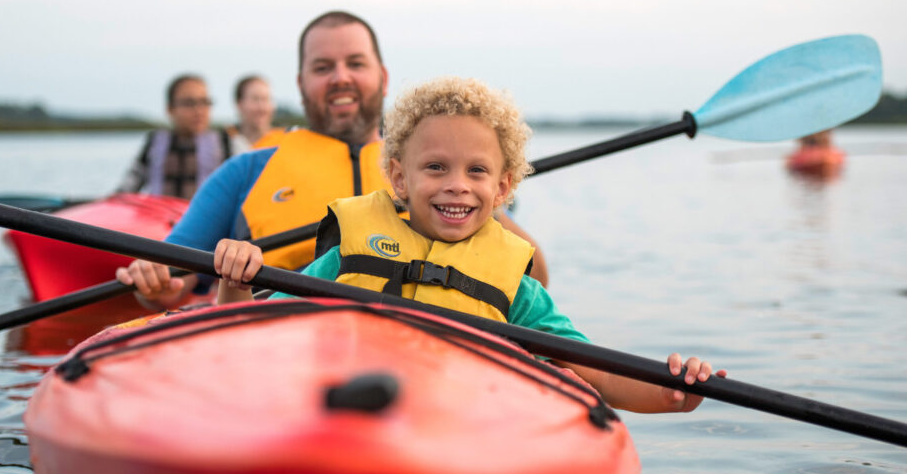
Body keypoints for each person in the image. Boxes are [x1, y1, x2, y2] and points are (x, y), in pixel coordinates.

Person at [214, 76, 726, 413]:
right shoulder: (349, 255)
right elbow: (250, 334)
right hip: (348, 405)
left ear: (502, 188)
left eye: (476, 171)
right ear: (399, 177)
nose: (456, 184)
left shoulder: (515, 288)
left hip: (462, 423)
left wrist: (670, 392)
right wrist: (236, 283)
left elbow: (595, 369)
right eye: (435, 167)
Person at [116, 11, 547, 309]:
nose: (340, 76)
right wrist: (154, 288)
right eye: (323, 67)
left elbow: (535, 278)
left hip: (416, 339)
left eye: (355, 63)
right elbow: (174, 285)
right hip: (278, 341)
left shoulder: (444, 174)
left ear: (383, 77)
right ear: (302, 83)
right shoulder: (245, 171)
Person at [116, 74, 253, 199]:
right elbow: (127, 188)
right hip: (160, 220)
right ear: (170, 109)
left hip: (209, 222)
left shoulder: (229, 142)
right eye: (189, 103)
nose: (199, 111)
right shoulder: (155, 142)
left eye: (204, 102)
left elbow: (251, 188)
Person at [226, 75, 282, 147]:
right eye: (255, 99)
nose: (262, 108)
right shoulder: (222, 143)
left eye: (266, 99)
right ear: (239, 104)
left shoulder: (284, 140)